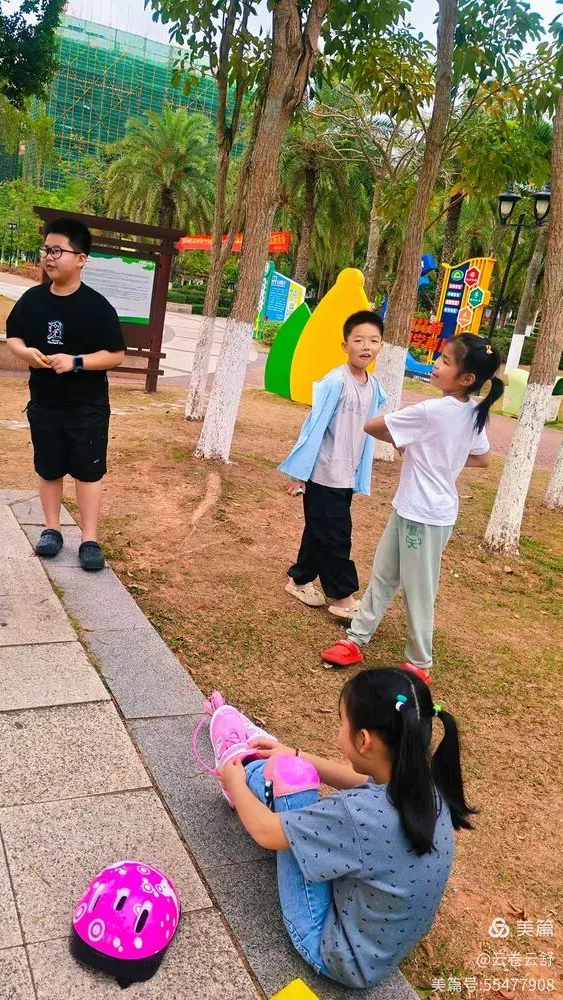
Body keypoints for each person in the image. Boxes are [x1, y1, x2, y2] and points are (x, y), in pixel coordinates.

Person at [209, 668, 474, 989]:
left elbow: (266, 833)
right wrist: (297, 753)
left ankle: (245, 764)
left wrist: (235, 782)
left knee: (292, 781)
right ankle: (260, 769)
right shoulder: (427, 785)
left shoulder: (357, 815)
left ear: (363, 740)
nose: (339, 731)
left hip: (331, 951)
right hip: (383, 949)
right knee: (295, 769)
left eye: (341, 723)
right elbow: (361, 780)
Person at [321, 334, 503, 681]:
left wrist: (413, 444)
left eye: (446, 361)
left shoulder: (432, 411)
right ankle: (356, 639)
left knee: (418, 589)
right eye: (440, 357)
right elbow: (482, 458)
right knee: (383, 575)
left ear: (466, 378)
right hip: (411, 508)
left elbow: (372, 426)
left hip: (426, 515)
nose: (436, 364)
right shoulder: (473, 411)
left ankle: (420, 662)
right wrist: (431, 453)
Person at [6, 218, 125, 571]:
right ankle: (52, 529)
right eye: (46, 249)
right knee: (49, 468)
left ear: (81, 259)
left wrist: (76, 362)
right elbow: (13, 336)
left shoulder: (97, 307)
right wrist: (25, 352)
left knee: (89, 473)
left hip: (87, 407)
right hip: (45, 404)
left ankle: (89, 539)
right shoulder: (32, 300)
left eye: (57, 251)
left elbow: (115, 354)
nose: (49, 257)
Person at [279, 310, 386, 619]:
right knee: (336, 535)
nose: (366, 347)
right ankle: (342, 597)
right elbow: (312, 429)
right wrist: (298, 474)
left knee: (320, 530)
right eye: (359, 340)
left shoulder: (374, 385)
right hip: (324, 473)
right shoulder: (335, 382)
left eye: (374, 340)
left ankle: (299, 580)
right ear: (345, 345)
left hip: (346, 474)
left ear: (381, 346)